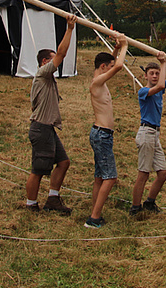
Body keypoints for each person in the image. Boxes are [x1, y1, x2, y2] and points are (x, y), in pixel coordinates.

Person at [24, 13, 77, 214]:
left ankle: (53, 199)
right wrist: (69, 29)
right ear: (45, 61)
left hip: (48, 129)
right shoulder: (42, 73)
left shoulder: (46, 78)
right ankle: (31, 205)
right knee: (38, 170)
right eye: (53, 59)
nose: (57, 62)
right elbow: (62, 54)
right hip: (41, 128)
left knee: (63, 162)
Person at [84, 33, 128, 229]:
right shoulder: (97, 83)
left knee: (100, 177)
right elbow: (118, 66)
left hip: (101, 134)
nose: (111, 70)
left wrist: (116, 49)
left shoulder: (99, 79)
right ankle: (94, 219)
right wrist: (125, 45)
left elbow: (111, 63)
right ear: (103, 67)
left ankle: (96, 212)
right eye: (108, 67)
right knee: (110, 178)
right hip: (102, 135)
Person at [130, 52, 166, 216]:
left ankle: (150, 203)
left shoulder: (160, 89)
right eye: (152, 73)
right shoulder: (144, 91)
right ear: (145, 76)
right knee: (143, 173)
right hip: (146, 133)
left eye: (157, 73)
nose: (155, 75)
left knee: (163, 173)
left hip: (155, 134)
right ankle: (135, 208)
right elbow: (159, 86)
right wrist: (163, 63)